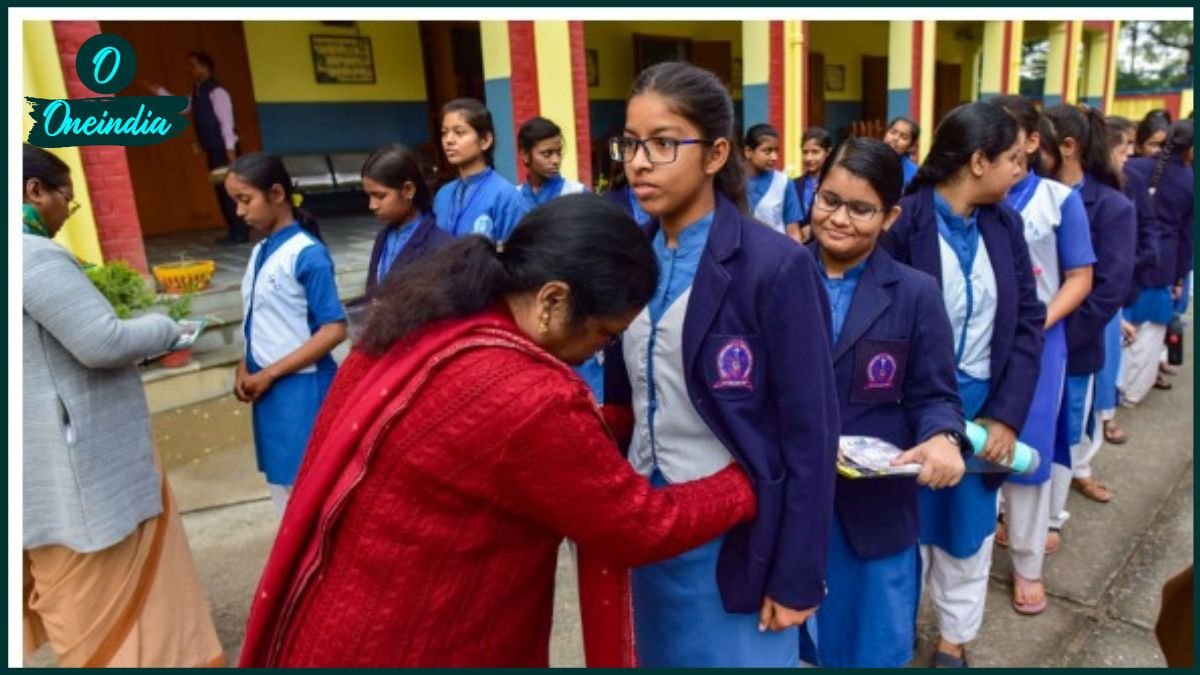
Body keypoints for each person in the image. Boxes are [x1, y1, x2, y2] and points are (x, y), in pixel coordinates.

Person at [237, 194, 759, 667]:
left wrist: (627, 417)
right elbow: (641, 525)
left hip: (335, 622)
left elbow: (481, 450)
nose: (601, 352)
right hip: (417, 641)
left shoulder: (428, 322)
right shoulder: (531, 398)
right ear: (554, 300)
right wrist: (745, 480)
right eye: (605, 334)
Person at [604, 61, 840, 667]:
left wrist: (798, 577)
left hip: (737, 536)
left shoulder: (774, 267)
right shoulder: (627, 261)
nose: (639, 161)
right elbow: (624, 399)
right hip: (650, 524)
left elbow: (811, 433)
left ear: (714, 154)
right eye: (630, 143)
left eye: (663, 143)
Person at [22, 144, 223, 667]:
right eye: (67, 198)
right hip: (80, 474)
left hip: (32, 467)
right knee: (112, 605)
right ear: (34, 191)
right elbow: (102, 342)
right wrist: (166, 327)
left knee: (68, 589)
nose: (66, 213)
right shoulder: (31, 255)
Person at [880, 102, 1045, 668]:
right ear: (978, 161)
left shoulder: (1005, 224)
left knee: (967, 534)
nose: (1022, 171)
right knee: (902, 539)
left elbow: (1026, 321)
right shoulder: (901, 222)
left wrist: (1005, 415)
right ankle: (893, 634)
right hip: (906, 413)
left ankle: (953, 640)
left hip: (982, 411)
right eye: (1014, 161)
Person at [797, 137, 967, 668]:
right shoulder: (775, 277)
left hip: (873, 515)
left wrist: (942, 435)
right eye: (829, 200)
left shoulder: (915, 294)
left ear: (890, 216)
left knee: (870, 648)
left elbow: (935, 392)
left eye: (861, 208)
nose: (840, 219)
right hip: (791, 507)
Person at [986, 96, 1094, 616]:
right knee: (975, 444)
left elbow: (1080, 277)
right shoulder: (974, 196)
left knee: (1027, 454)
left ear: (1032, 142)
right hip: (977, 344)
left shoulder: (1057, 200)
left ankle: (1028, 565)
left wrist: (1035, 323)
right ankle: (976, 544)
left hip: (1038, 342)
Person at [226, 152, 348, 516]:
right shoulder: (260, 251)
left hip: (302, 390)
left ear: (276, 194)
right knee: (283, 491)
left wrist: (269, 373)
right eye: (234, 202)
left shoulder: (307, 254)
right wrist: (242, 367)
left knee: (310, 497)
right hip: (269, 390)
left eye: (245, 200)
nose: (239, 212)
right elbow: (258, 319)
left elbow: (334, 328)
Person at [1039, 105, 1135, 521]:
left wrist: (1057, 337)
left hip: (1072, 346)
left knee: (1067, 432)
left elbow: (1107, 291)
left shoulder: (1112, 207)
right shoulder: (1027, 194)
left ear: (1068, 147)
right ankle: (1019, 513)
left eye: (1036, 141)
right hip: (1030, 341)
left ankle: (1052, 517)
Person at [1122, 120, 1194, 404]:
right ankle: (1132, 391)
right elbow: (1188, 236)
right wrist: (1179, 277)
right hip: (1164, 262)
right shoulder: (1189, 181)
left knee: (1124, 322)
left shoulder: (1135, 168)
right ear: (1190, 150)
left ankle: (1113, 391)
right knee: (1150, 332)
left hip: (1131, 254)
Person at [149, 51, 247, 244]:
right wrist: (158, 91)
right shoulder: (198, 91)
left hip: (224, 150)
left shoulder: (217, 91)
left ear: (205, 67)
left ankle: (240, 231)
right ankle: (234, 230)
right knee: (221, 191)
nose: (190, 70)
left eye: (193, 65)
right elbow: (182, 107)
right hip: (213, 150)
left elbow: (226, 122)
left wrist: (230, 152)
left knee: (230, 191)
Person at [432, 98, 529, 240]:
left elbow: (518, 254)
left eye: (459, 132)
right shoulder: (443, 195)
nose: (449, 140)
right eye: (444, 132)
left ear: (485, 141)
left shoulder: (506, 196)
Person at [742, 123, 804, 240]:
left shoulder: (784, 183)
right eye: (767, 151)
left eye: (776, 151)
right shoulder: (732, 183)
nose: (774, 157)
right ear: (748, 151)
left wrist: (796, 256)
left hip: (775, 253)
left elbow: (793, 231)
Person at [516, 116, 587, 209]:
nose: (556, 160)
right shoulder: (513, 198)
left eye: (558, 153)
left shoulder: (578, 194)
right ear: (525, 154)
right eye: (546, 154)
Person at [794, 126, 835, 241]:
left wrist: (813, 228)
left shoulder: (836, 185)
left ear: (828, 152)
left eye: (815, 152)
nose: (808, 158)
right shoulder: (794, 184)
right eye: (805, 152)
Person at [884, 116, 921, 189]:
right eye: (893, 132)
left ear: (911, 146)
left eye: (904, 137)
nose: (895, 138)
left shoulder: (914, 173)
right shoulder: (870, 159)